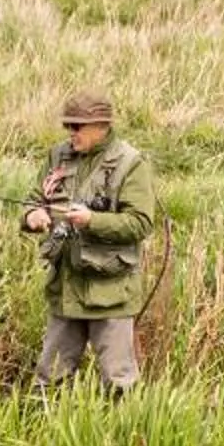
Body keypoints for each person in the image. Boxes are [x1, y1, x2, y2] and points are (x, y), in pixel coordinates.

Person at [20, 91, 158, 393]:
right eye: (68, 126)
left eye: (77, 126)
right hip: (65, 287)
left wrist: (92, 221)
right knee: (49, 381)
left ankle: (124, 436)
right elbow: (33, 198)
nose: (70, 133)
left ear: (101, 126)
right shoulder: (58, 155)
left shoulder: (130, 163)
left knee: (120, 383)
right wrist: (33, 215)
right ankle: (45, 432)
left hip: (110, 292)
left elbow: (141, 223)